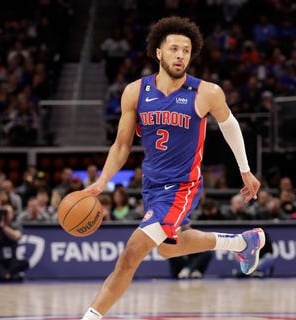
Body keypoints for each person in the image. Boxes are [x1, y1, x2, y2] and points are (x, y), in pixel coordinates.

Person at [80, 17, 263, 320]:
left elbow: (230, 125)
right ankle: (244, 242)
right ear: (159, 53)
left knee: (131, 254)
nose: (181, 55)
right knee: (167, 249)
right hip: (151, 185)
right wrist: (102, 182)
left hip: (182, 185)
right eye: (174, 48)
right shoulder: (135, 92)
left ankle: (90, 318)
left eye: (187, 50)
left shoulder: (206, 92)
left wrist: (245, 169)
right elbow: (122, 145)